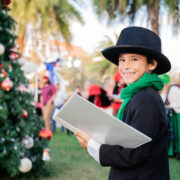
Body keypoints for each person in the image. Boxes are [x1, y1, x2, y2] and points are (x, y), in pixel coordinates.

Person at [75, 26, 171, 180]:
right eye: (122, 59)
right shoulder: (136, 95)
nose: (125, 66)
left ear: (152, 64)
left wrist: (93, 145)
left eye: (134, 59)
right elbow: (127, 140)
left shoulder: (145, 98)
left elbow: (138, 153)